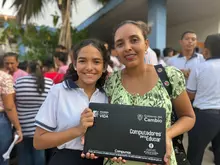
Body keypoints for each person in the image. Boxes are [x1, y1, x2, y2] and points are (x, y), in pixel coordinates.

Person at [103, 20, 195, 165]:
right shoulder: (111, 82)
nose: (127, 48)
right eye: (120, 44)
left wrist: (166, 135)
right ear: (116, 50)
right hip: (119, 160)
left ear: (146, 44)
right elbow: (110, 122)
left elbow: (188, 117)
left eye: (134, 40)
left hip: (159, 158)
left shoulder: (169, 76)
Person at [33, 39, 110, 165]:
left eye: (96, 62)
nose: (89, 67)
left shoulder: (108, 95)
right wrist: (78, 130)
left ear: (104, 67)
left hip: (100, 160)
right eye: (82, 61)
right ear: (74, 64)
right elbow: (39, 141)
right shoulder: (58, 92)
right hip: (66, 159)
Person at [186, 34, 220, 165]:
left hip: (204, 117)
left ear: (205, 51)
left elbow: (190, 95)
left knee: (195, 154)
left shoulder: (199, 67)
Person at [14, 61, 53, 165]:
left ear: (27, 69)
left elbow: (13, 102)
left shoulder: (19, 82)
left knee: (23, 155)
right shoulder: (49, 82)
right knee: (39, 155)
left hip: (23, 127)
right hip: (42, 127)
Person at [0, 53, 23, 165]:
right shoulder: (4, 78)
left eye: (12, 63)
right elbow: (9, 107)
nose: (9, 66)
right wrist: (18, 128)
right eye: (6, 63)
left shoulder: (22, 74)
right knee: (3, 155)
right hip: (2, 120)